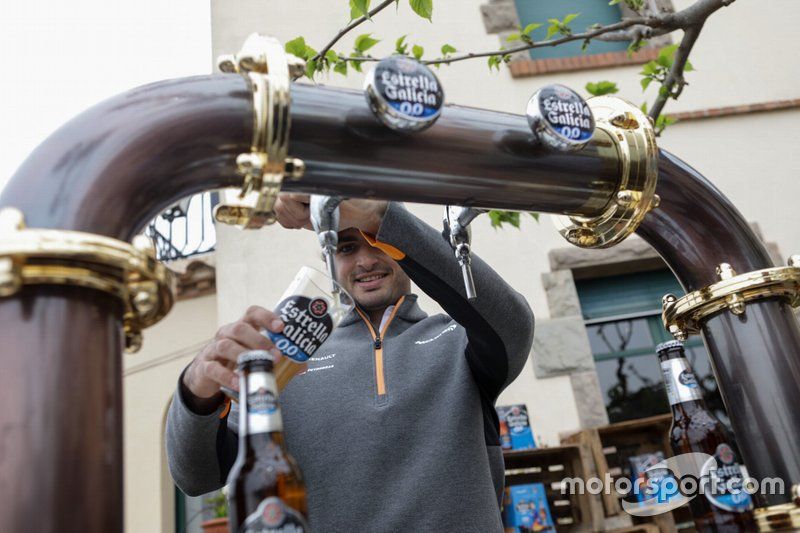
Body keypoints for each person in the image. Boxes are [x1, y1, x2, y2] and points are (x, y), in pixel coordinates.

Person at [166, 195, 535, 532]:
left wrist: (381, 218)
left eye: (376, 242)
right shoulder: (290, 362)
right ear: (329, 260)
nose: (365, 260)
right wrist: (197, 390)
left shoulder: (461, 340)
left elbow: (513, 323)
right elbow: (197, 476)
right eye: (346, 247)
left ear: (404, 249)